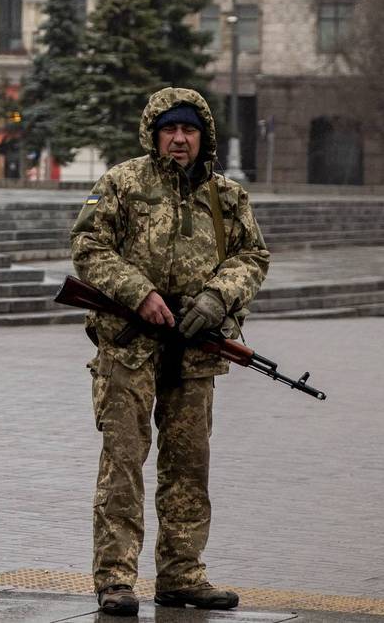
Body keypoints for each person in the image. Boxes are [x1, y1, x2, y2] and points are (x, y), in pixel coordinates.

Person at [70, 87, 270, 616]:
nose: (179, 140)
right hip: (129, 348)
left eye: (189, 131)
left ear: (202, 137)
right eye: (169, 130)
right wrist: (141, 293)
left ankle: (182, 574)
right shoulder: (122, 183)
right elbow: (88, 247)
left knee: (188, 469)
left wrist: (216, 295)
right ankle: (115, 579)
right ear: (154, 134)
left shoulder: (225, 196)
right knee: (124, 465)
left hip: (194, 352)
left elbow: (253, 254)